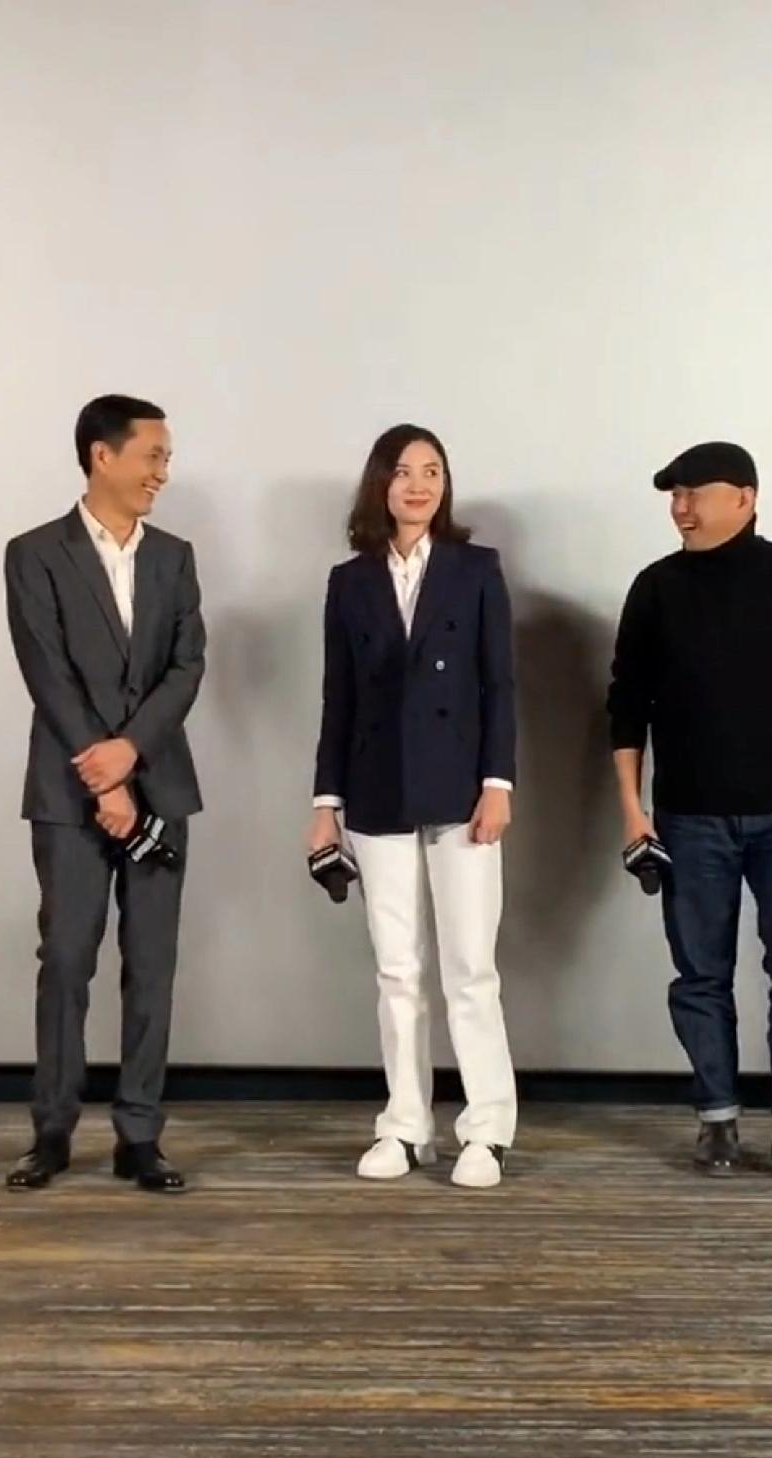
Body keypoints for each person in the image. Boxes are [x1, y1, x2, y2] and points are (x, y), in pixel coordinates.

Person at [3, 394, 205, 1192]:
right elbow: (45, 670)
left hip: (162, 789)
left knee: (151, 967)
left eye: (166, 458)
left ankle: (139, 1137)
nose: (163, 472)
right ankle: (51, 1132)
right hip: (68, 793)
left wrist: (130, 753)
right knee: (66, 960)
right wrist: (103, 771)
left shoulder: (175, 557)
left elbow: (187, 665)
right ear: (102, 456)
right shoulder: (34, 553)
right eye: (154, 455)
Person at [309, 424, 517, 1188]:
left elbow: (500, 684)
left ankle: (488, 1131)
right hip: (376, 791)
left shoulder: (475, 569)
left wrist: (498, 783)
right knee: (398, 971)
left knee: (471, 969)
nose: (419, 485)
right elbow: (338, 699)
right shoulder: (350, 581)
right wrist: (325, 804)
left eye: (433, 471)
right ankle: (404, 1126)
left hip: (462, 792)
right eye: (403, 472)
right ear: (380, 484)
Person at [608, 441, 772, 1177]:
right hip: (689, 819)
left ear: (744, 497)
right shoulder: (656, 589)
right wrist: (633, 812)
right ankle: (717, 1117)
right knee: (700, 976)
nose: (680, 508)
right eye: (674, 496)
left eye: (694, 492)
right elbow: (626, 708)